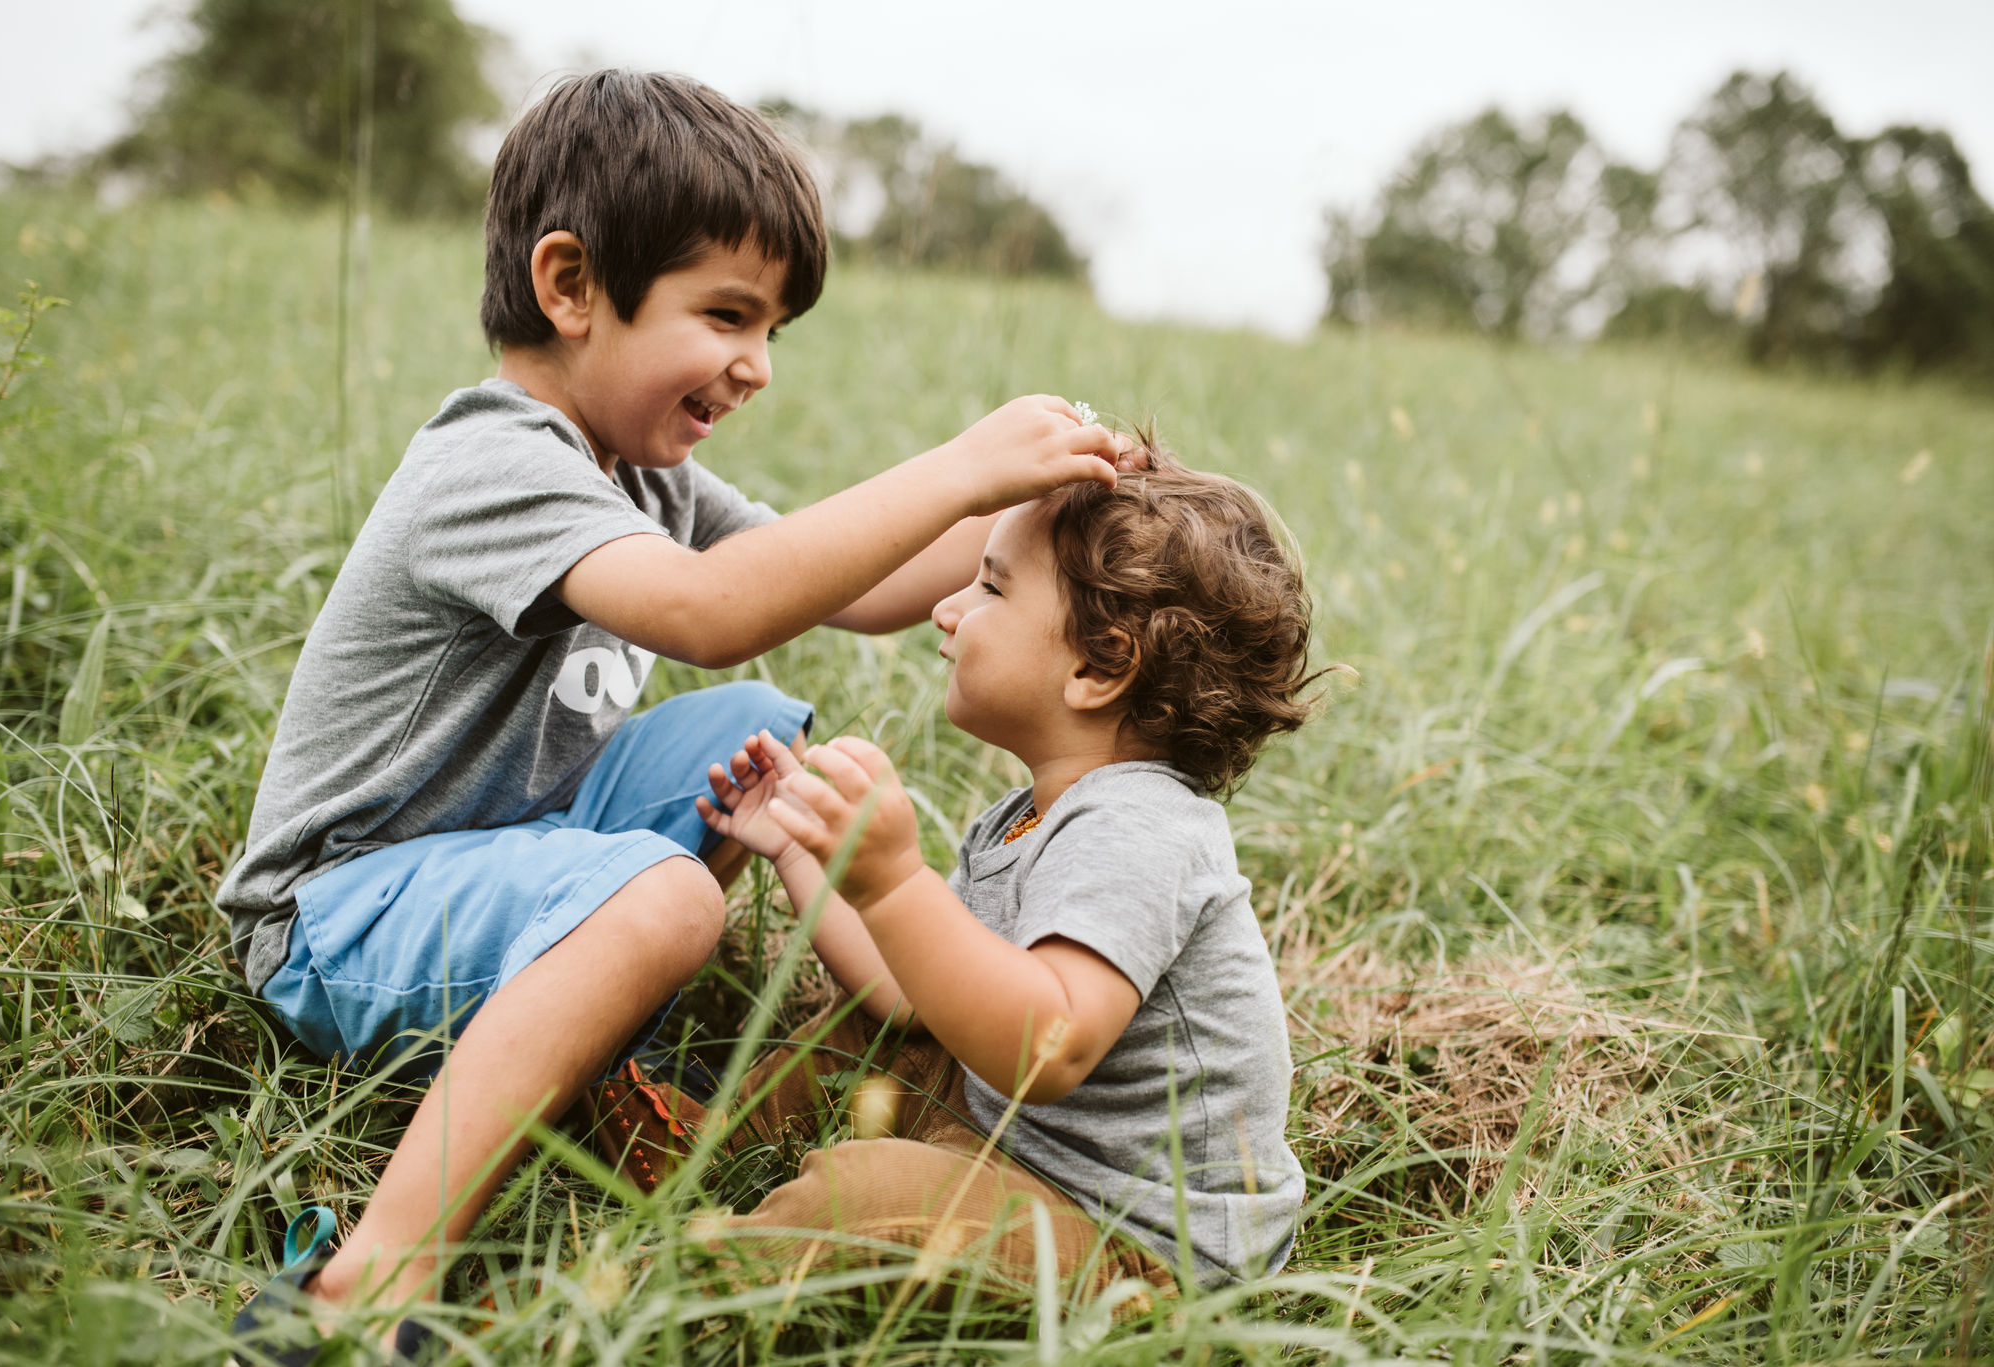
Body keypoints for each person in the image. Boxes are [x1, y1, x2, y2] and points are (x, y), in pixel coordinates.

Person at [221, 69, 1128, 1358]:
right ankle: (365, 1281)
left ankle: (617, 1030)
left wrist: (1035, 508)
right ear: (571, 286)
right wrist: (957, 462)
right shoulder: (488, 460)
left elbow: (857, 589)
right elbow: (712, 608)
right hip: (337, 911)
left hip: (500, 844)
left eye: (771, 330)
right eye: (727, 316)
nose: (754, 367)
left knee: (747, 725)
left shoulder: (642, 471)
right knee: (669, 895)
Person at [609, 445, 1318, 1296]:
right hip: (1016, 1150)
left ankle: (681, 1285)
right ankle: (711, 1149)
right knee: (883, 1040)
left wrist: (898, 881)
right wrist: (808, 851)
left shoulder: (1143, 829)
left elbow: (1047, 1047)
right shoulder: (1031, 814)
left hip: (1133, 1246)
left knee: (867, 1196)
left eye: (989, 587)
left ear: (1098, 666)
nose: (944, 610)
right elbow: (912, 993)